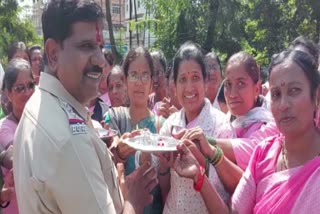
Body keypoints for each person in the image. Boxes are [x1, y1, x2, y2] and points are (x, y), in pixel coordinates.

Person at [13, 1, 158, 213]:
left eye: (100, 47)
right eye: (86, 46)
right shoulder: (68, 139)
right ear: (53, 54)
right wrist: (133, 200)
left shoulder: (39, 105)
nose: (100, 60)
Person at [174, 50, 320, 213]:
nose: (283, 104)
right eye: (276, 94)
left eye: (294, 91)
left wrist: (208, 144)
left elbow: (242, 147)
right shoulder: (264, 154)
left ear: (317, 96)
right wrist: (199, 176)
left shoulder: (263, 128)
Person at [158, 42, 234, 214]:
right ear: (175, 85)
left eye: (195, 78)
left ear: (206, 80)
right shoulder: (170, 125)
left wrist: (200, 162)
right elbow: (165, 185)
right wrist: (163, 166)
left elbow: (228, 188)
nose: (189, 88)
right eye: (182, 79)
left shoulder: (221, 126)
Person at [104, 47, 164, 214]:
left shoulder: (162, 126)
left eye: (145, 75)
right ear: (125, 80)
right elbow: (107, 156)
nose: (139, 82)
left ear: (152, 82)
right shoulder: (113, 117)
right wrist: (119, 152)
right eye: (134, 75)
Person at [0, 58, 35, 214]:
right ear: (8, 94)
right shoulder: (4, 127)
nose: (27, 92)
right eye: (20, 88)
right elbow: (14, 154)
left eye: (30, 85)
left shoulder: (42, 122)